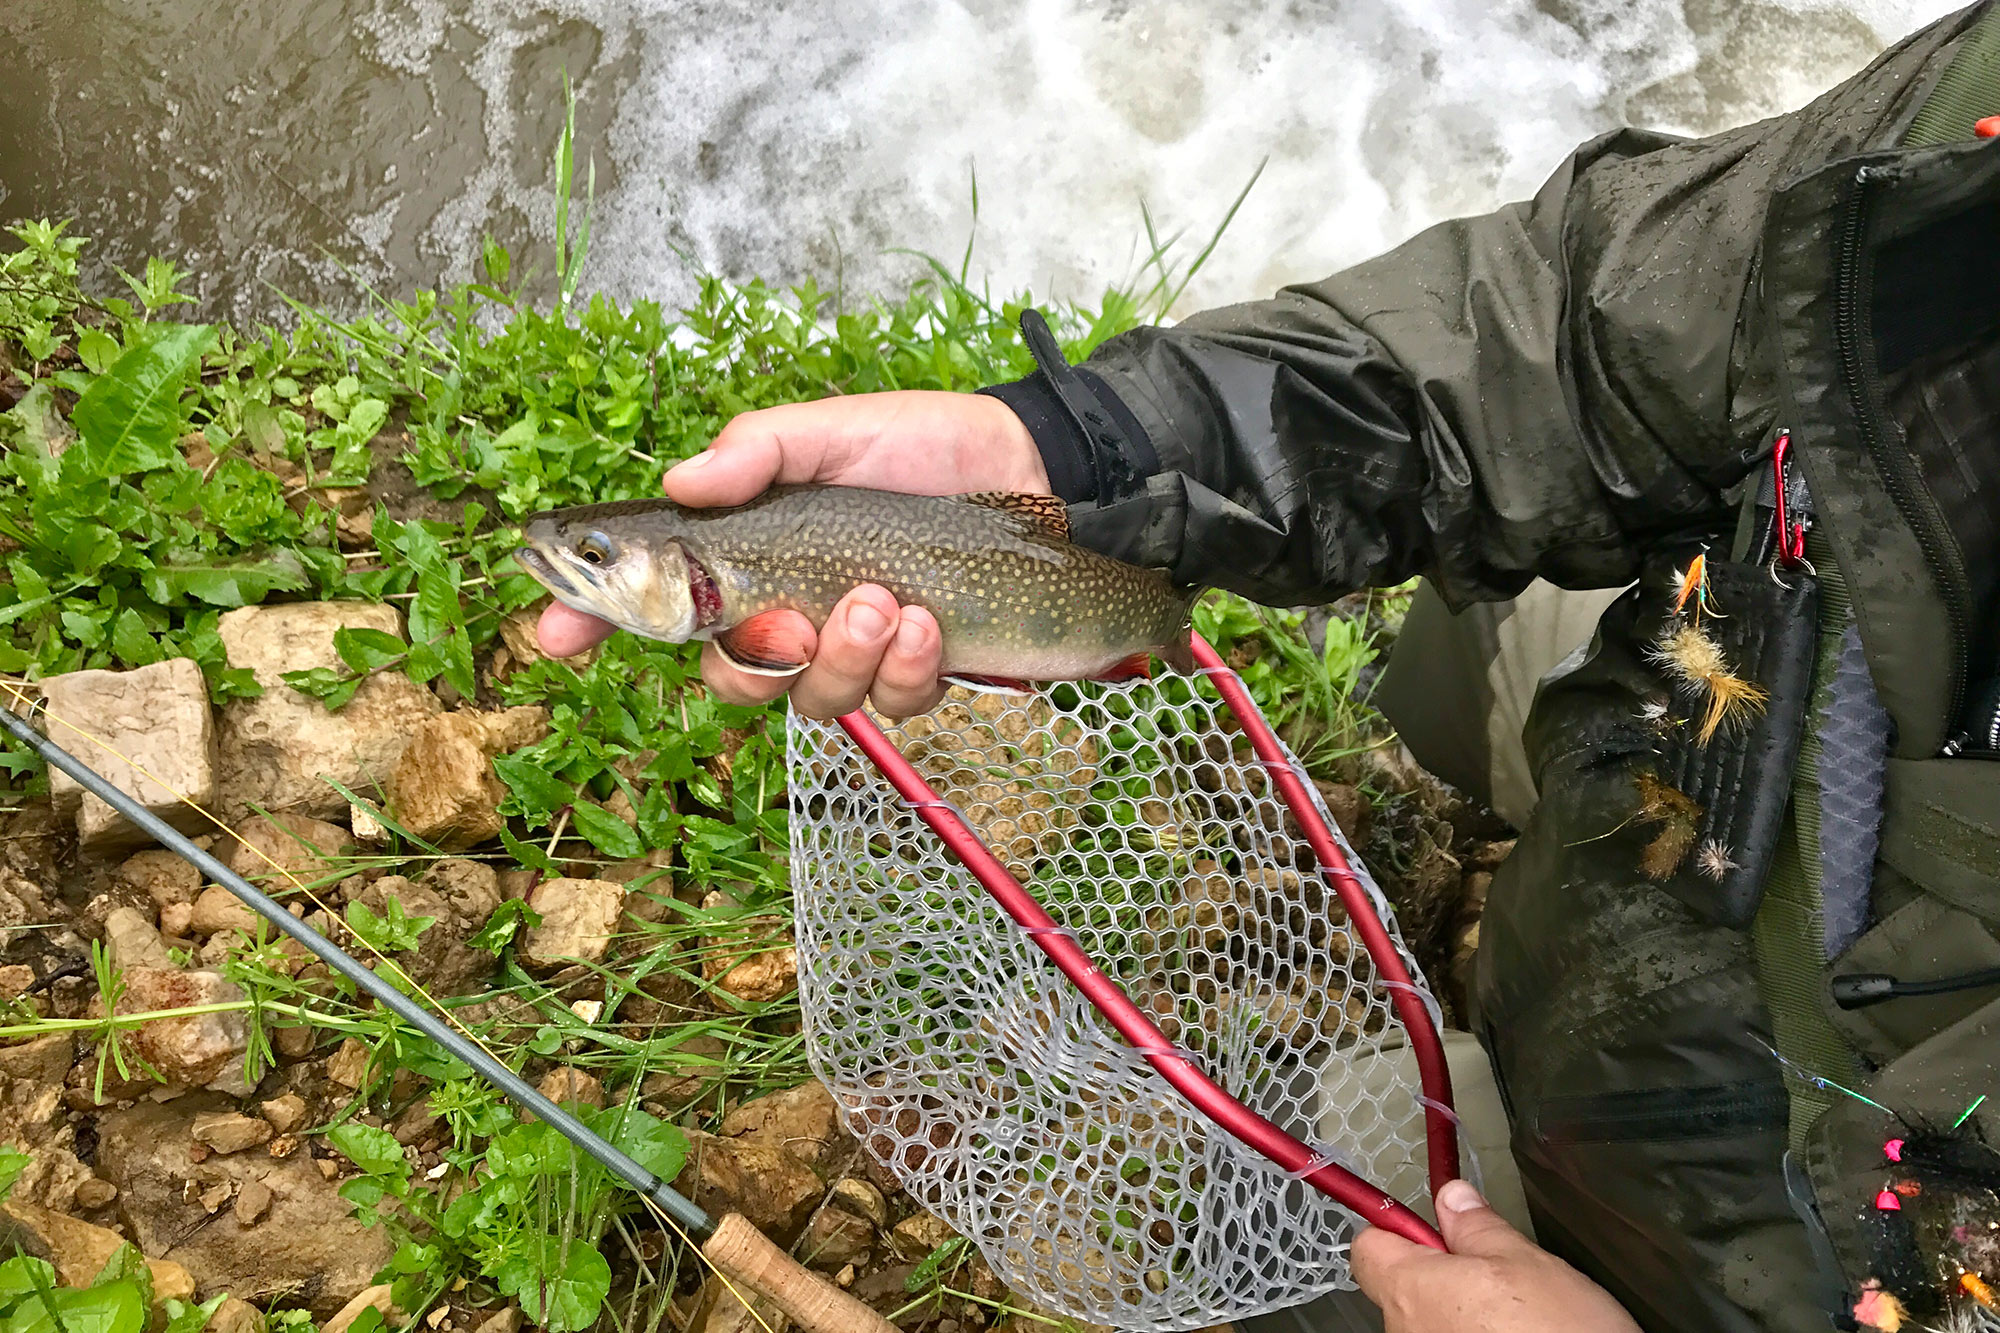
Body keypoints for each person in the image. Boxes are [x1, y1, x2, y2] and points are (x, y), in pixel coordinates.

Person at [543, 4, 2000, 1328]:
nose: (583, 570)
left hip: (1864, 1248)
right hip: (1723, 834)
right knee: (1442, 658)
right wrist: (1076, 453)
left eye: (606, 560)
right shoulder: (1969, 121)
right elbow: (1568, 328)